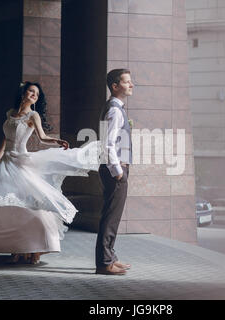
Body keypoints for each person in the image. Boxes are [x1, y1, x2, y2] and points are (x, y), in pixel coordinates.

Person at [0, 81, 100, 264]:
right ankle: (16, 248)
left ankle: (35, 248)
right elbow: (6, 140)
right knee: (4, 206)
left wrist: (57, 141)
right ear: (23, 93)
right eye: (31, 91)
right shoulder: (10, 114)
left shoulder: (33, 114)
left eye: (37, 94)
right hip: (6, 163)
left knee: (28, 206)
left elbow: (42, 138)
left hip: (21, 163)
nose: (34, 95)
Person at [95, 69, 134, 275]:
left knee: (112, 216)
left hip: (113, 169)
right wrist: (118, 172)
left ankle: (110, 257)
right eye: (127, 82)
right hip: (114, 171)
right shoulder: (114, 110)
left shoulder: (116, 108)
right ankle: (104, 263)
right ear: (115, 86)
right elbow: (107, 144)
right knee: (110, 218)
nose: (132, 85)